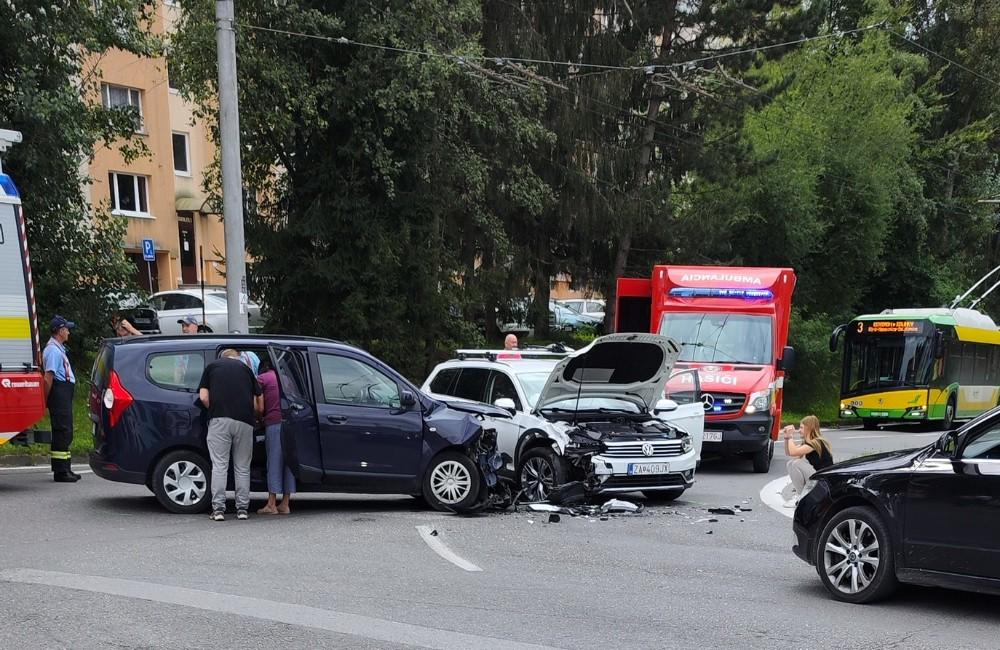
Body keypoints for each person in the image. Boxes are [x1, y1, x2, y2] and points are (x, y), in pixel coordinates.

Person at [198, 348, 263, 521]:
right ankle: (242, 509)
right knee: (242, 467)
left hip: (219, 420)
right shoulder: (247, 370)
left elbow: (203, 397)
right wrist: (255, 414)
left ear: (222, 357)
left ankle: (218, 510)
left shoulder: (212, 367)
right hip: (244, 422)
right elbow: (259, 401)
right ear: (237, 357)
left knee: (220, 465)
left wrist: (215, 408)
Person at [255, 357, 296, 515]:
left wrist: (259, 418)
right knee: (288, 463)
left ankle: (271, 504)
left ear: (263, 368)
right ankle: (285, 503)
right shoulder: (287, 379)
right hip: (290, 423)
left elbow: (258, 404)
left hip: (274, 423)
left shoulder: (262, 378)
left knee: (273, 461)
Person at [43, 315, 80, 483]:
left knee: (65, 430)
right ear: (59, 331)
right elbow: (48, 376)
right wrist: (45, 398)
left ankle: (66, 468)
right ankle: (61, 471)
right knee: (62, 430)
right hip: (59, 392)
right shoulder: (52, 351)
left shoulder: (58, 349)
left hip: (63, 392)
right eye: (67, 329)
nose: (69, 332)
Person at [782, 415, 833, 506]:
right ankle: (801, 495)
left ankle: (800, 496)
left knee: (796, 464)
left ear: (808, 428)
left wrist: (790, 437)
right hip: (818, 478)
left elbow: (793, 452)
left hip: (823, 481)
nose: (799, 430)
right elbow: (789, 453)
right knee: (790, 463)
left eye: (801, 427)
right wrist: (786, 438)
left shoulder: (815, 442)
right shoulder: (810, 442)